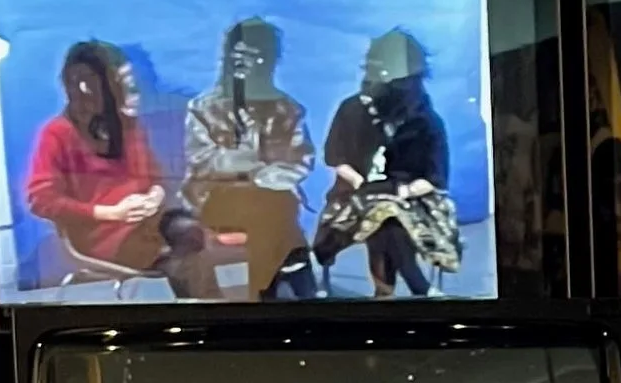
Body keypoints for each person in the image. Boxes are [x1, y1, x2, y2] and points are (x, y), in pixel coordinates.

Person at [21, 41, 202, 282]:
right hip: (104, 235)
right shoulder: (56, 133)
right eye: (119, 81)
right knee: (179, 266)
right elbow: (40, 199)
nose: (127, 88)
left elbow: (154, 177)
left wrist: (155, 195)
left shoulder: (128, 126)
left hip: (147, 224)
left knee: (193, 235)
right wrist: (111, 213)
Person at [316, 29, 465, 297]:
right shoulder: (351, 109)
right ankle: (417, 287)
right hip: (355, 193)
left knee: (389, 213)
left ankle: (386, 292)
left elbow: (434, 178)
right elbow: (335, 158)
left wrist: (401, 192)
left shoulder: (427, 122)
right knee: (381, 210)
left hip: (413, 199)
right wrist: (363, 184)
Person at [182, 17, 318, 295]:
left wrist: (269, 176)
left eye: (254, 54)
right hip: (216, 196)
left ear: (268, 61)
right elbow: (201, 160)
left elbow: (301, 161)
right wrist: (248, 165)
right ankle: (289, 277)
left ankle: (264, 286)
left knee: (272, 205)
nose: (242, 60)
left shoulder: (288, 110)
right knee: (274, 212)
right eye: (237, 52)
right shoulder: (202, 108)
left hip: (273, 195)